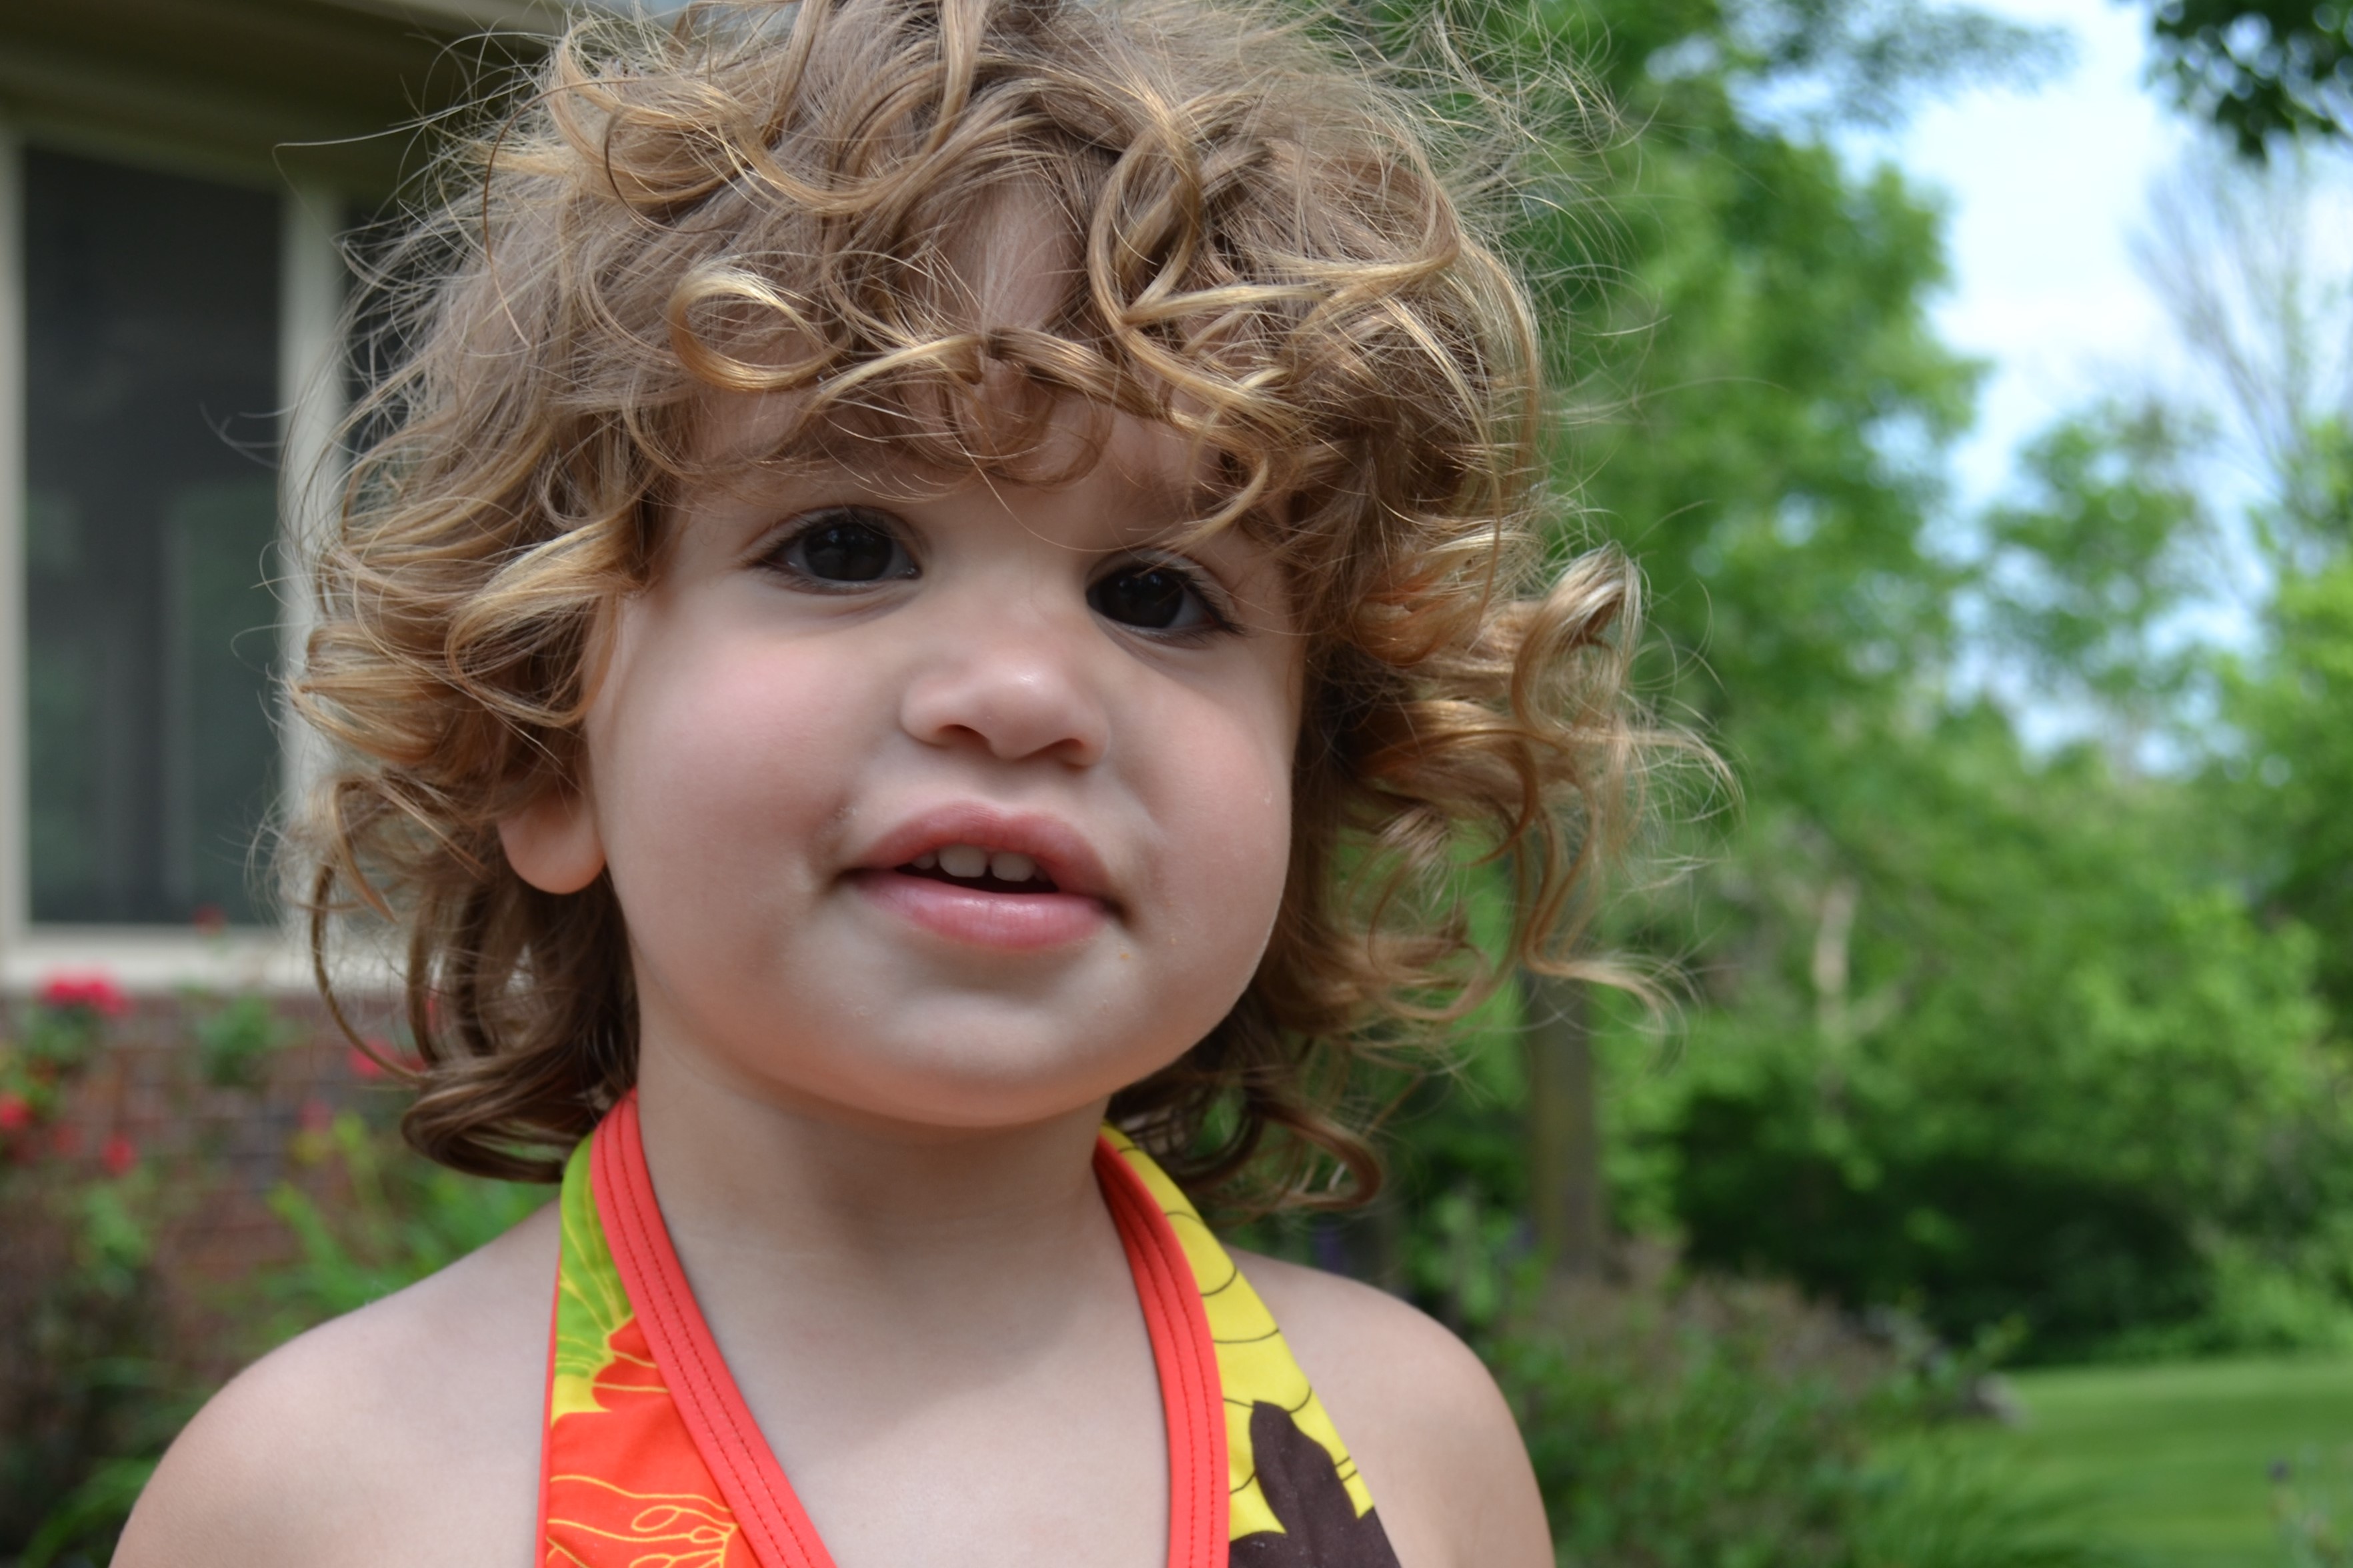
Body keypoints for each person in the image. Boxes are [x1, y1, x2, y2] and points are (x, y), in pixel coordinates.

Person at [115, 1, 1652, 1563]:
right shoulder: (324, 1502)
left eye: (1158, 594)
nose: (1022, 694)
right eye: (845, 546)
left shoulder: (1410, 1453)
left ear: (1308, 779)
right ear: (542, 737)